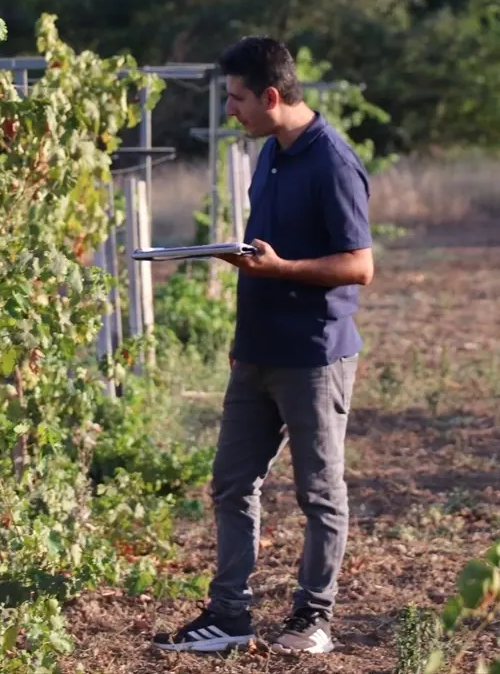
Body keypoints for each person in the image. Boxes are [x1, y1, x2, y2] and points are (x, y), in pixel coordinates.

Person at [151, 36, 374, 656]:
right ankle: (229, 615)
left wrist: (281, 270)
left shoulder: (333, 162)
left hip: (312, 354)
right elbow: (269, 249)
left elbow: (360, 266)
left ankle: (311, 617)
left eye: (239, 98)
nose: (232, 111)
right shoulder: (271, 152)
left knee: (319, 493)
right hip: (256, 352)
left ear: (272, 97)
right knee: (231, 482)